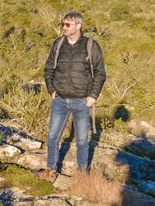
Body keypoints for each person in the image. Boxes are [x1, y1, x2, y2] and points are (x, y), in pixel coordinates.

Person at [38, 11, 106, 182]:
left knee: (82, 141)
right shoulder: (58, 43)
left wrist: (93, 96)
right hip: (59, 99)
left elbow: (100, 73)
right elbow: (48, 68)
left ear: (78, 25)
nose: (64, 27)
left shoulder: (91, 45)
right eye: (63, 24)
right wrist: (51, 90)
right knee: (53, 137)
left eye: (67, 24)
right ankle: (51, 170)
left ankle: (82, 176)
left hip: (82, 101)